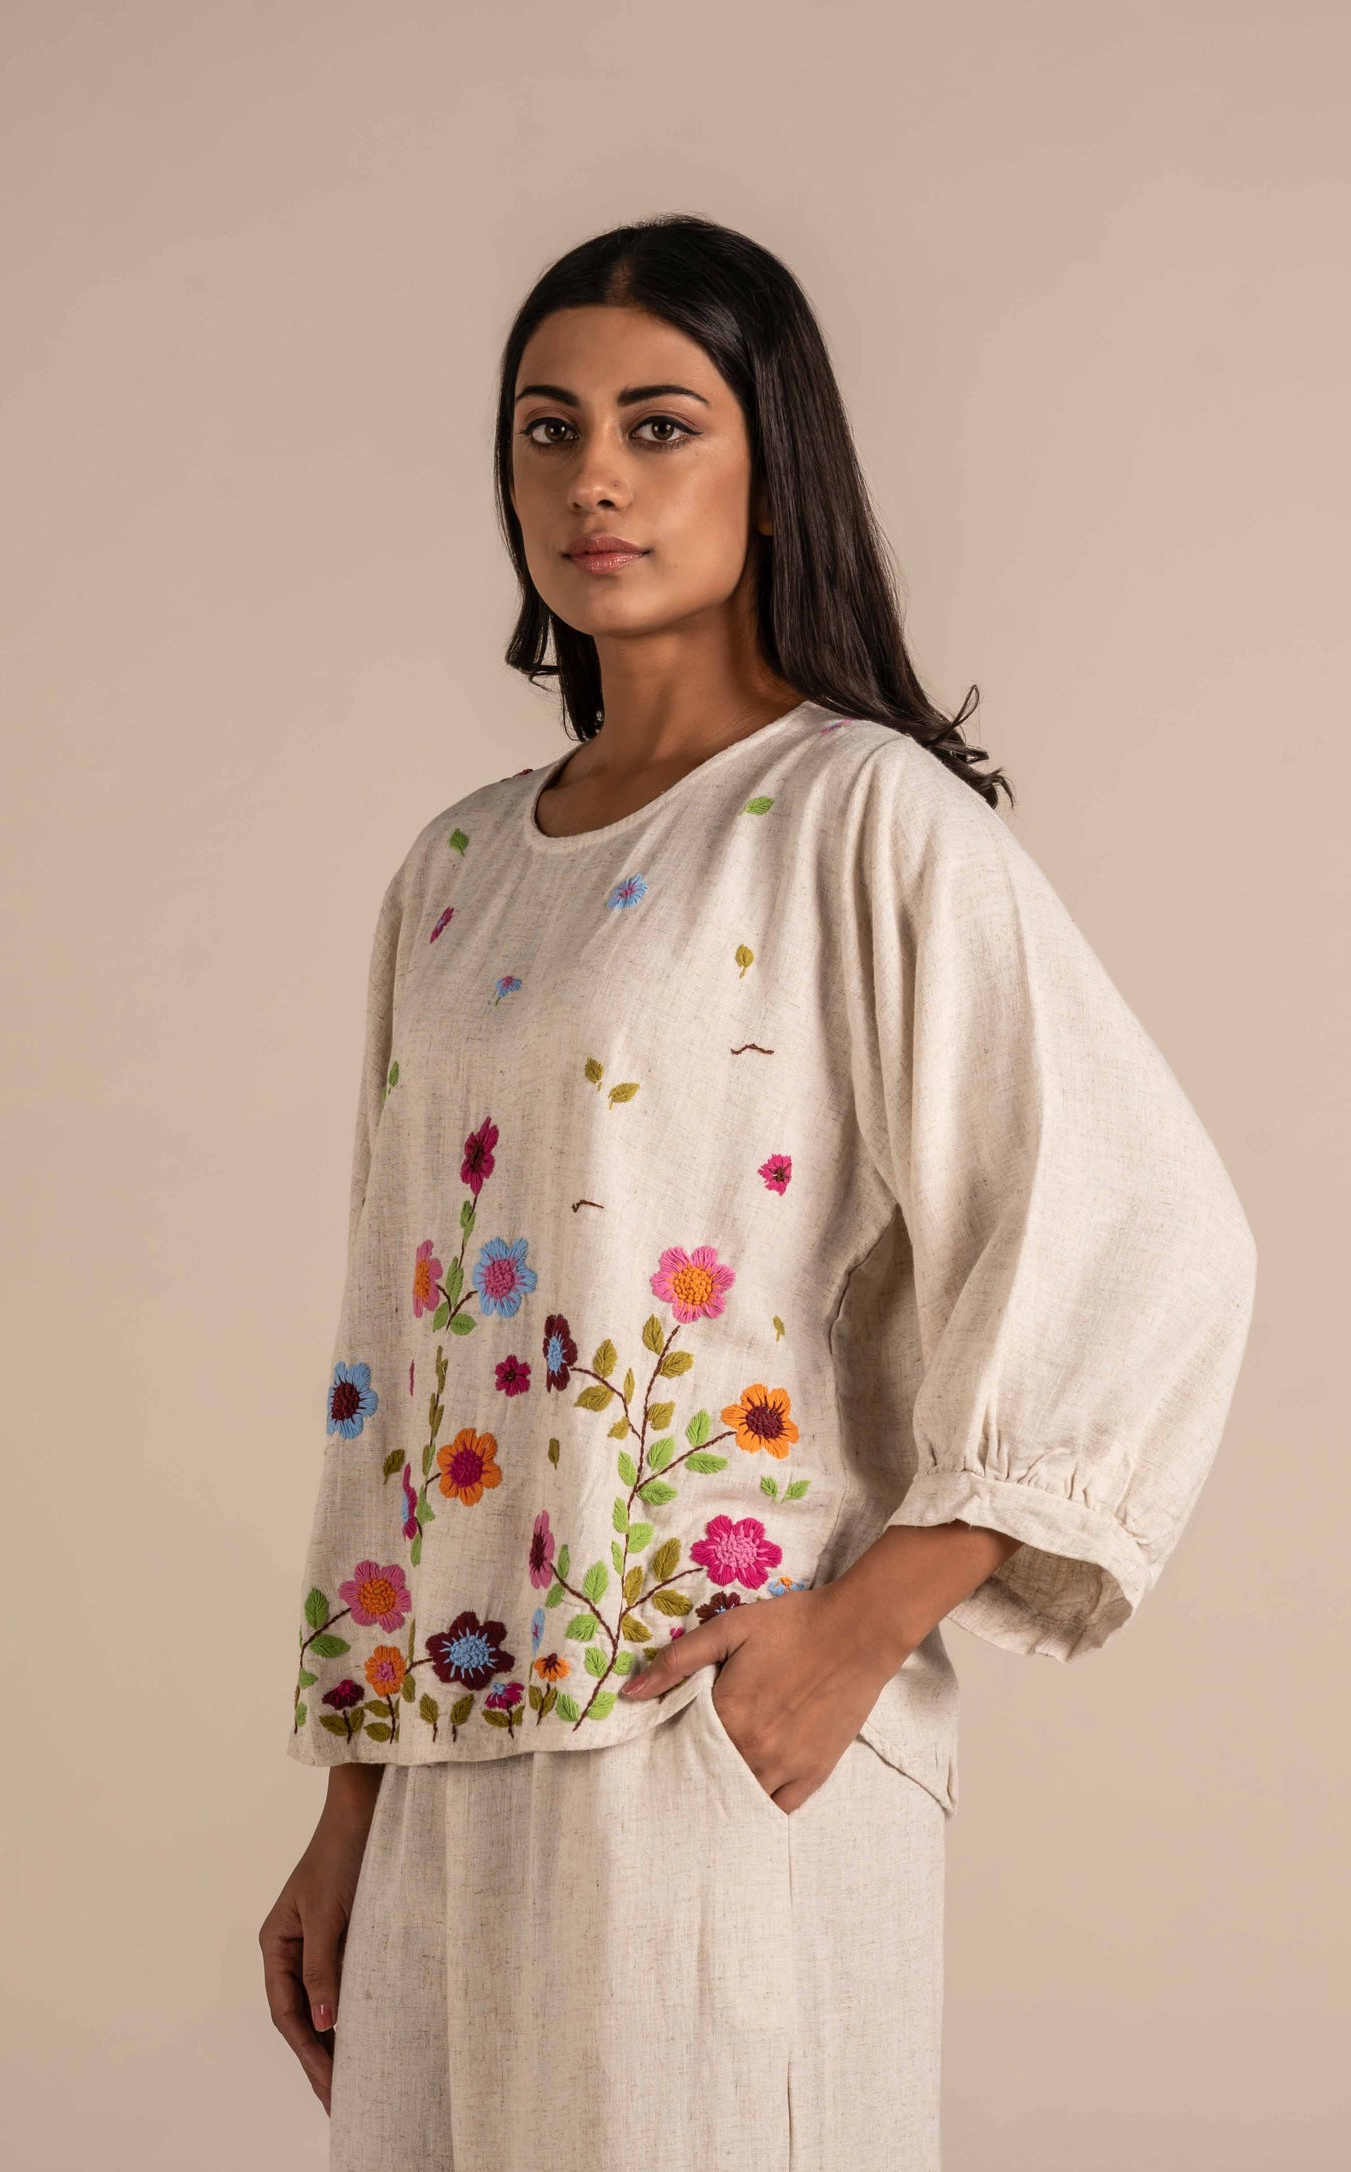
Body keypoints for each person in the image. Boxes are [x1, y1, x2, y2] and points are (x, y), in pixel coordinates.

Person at [258, 213, 1257, 2172]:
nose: (594, 478)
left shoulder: (861, 814)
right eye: (548, 429)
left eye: (659, 425)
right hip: (454, 1751)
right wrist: (353, 1798)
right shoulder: (453, 872)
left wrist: (863, 1627)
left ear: (773, 470)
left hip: (709, 1742)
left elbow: (1149, 1226)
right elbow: (405, 1352)